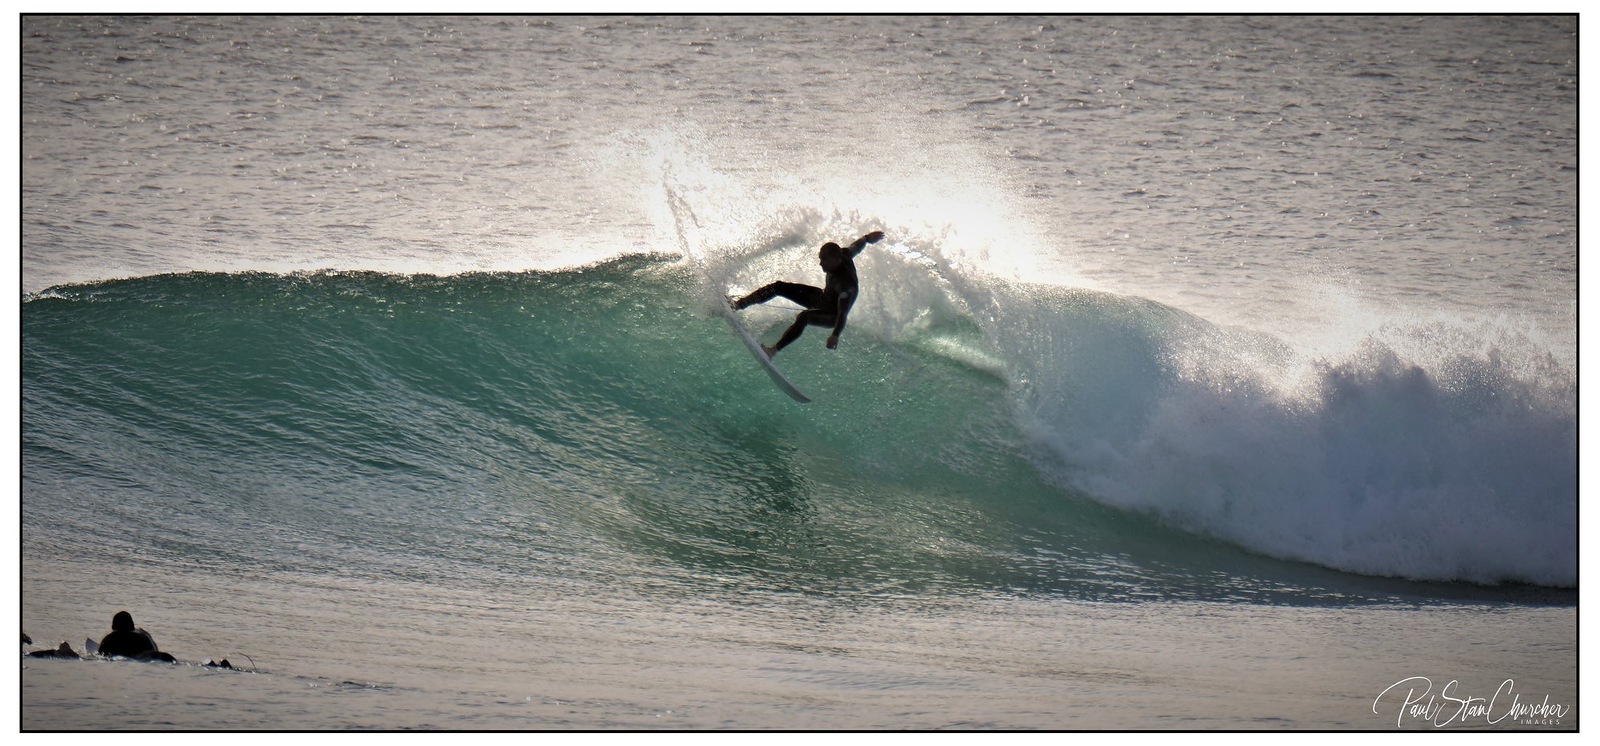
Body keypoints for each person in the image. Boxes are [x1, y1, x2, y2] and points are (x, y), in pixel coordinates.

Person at [732, 231, 884, 357]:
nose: (820, 263)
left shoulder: (846, 286)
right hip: (823, 298)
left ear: (835, 259)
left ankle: (773, 351)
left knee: (804, 316)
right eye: (820, 258)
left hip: (833, 315)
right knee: (778, 287)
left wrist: (835, 335)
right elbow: (855, 247)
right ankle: (739, 304)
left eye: (824, 259)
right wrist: (867, 238)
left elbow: (842, 314)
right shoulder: (844, 253)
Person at [98, 610, 176, 662]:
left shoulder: (109, 639)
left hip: (131, 657)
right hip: (143, 657)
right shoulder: (143, 638)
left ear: (113, 626)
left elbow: (101, 653)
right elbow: (155, 654)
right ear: (132, 626)